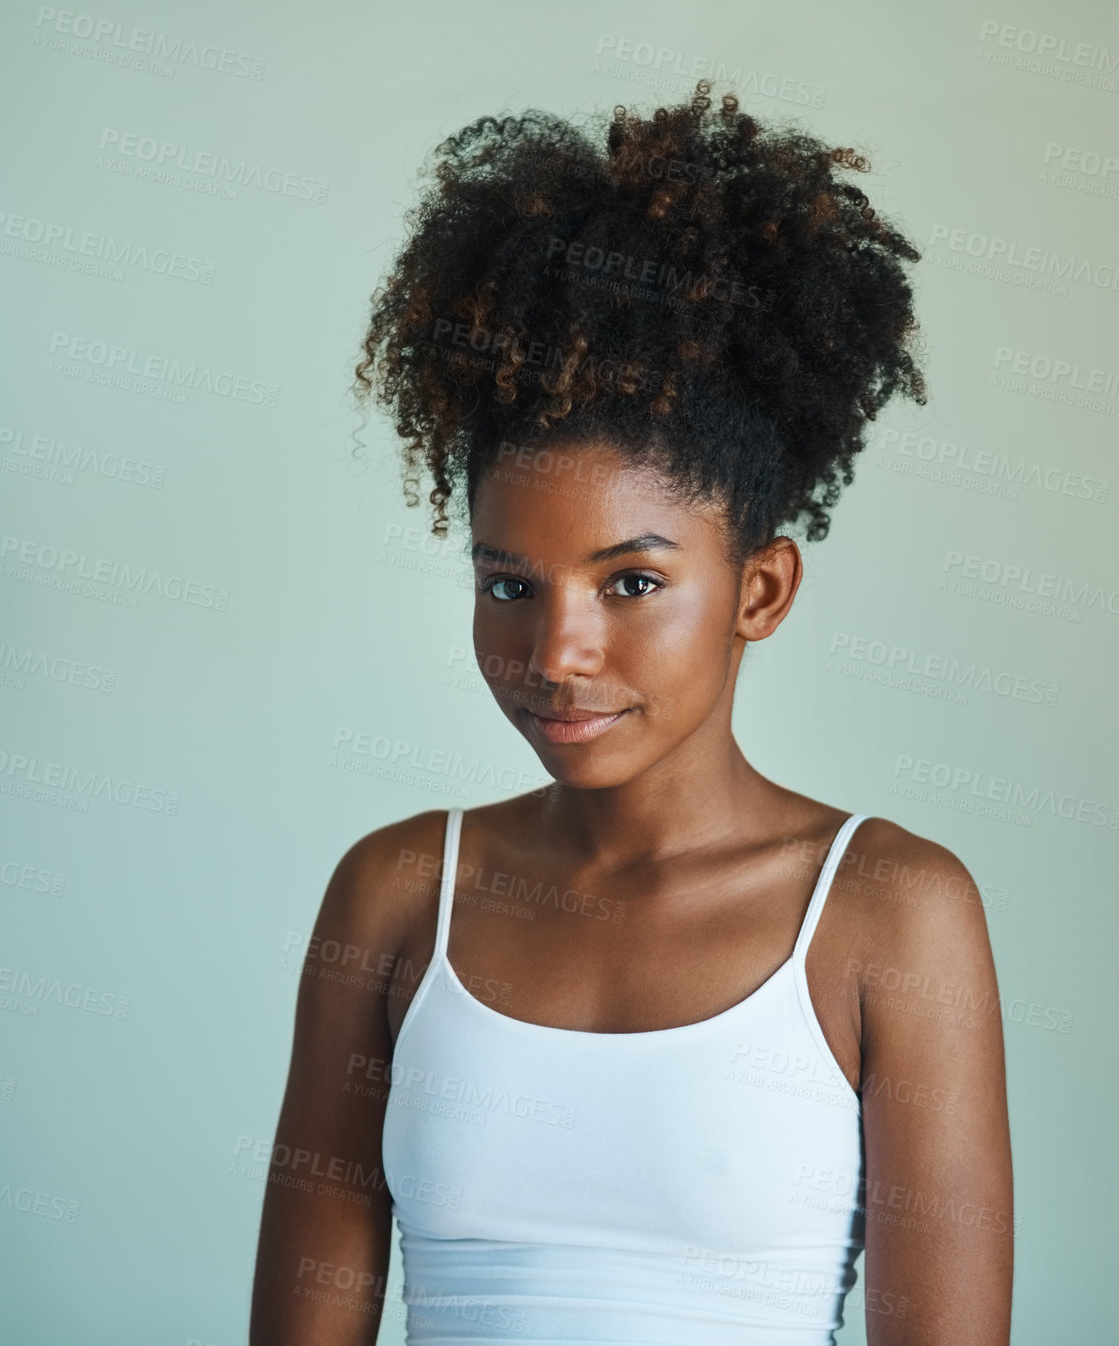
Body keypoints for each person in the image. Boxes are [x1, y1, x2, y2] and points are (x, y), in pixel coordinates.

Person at [250, 80, 1012, 1346]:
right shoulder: (395, 895)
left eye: (633, 581)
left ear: (759, 588)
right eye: (508, 582)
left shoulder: (891, 910)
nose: (557, 649)